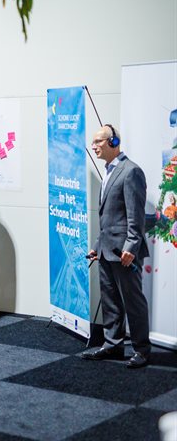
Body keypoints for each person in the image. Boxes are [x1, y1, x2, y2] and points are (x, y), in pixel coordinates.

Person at [83, 124, 151, 369]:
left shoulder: (131, 171)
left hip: (124, 252)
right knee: (110, 300)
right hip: (106, 250)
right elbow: (110, 217)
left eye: (99, 141)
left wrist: (131, 247)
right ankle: (113, 345)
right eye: (94, 142)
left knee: (133, 301)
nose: (94, 146)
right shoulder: (109, 171)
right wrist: (97, 246)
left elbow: (136, 215)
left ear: (113, 143)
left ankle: (142, 349)